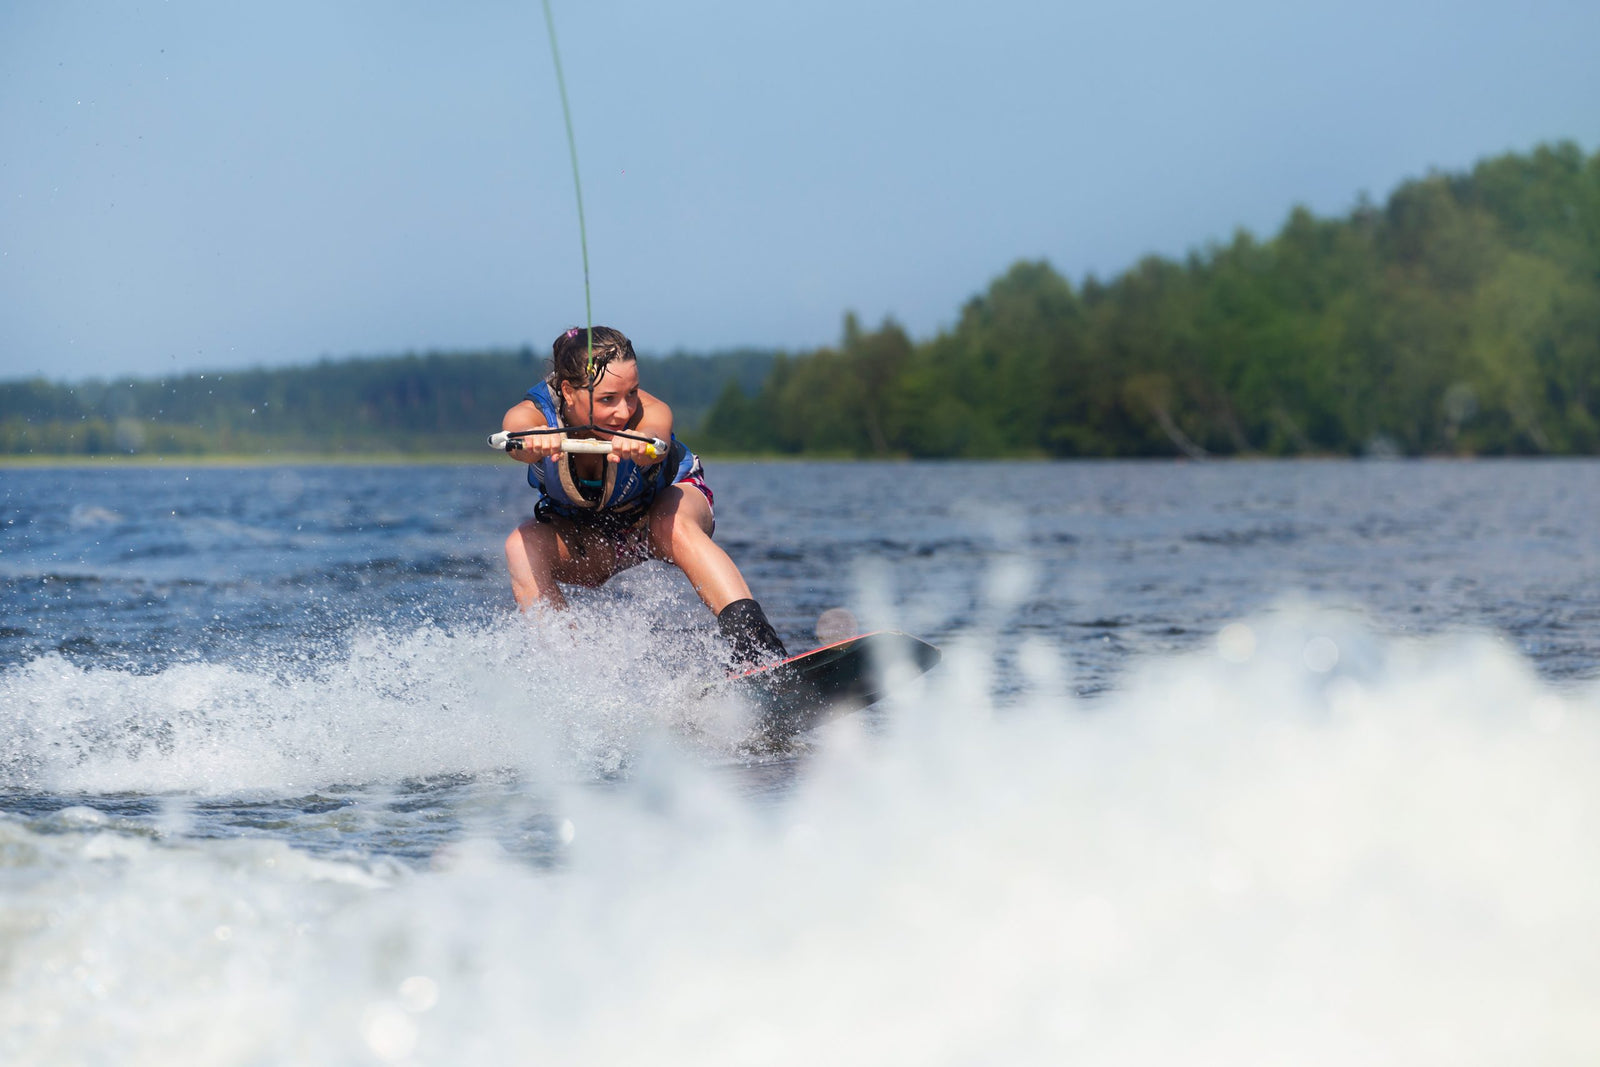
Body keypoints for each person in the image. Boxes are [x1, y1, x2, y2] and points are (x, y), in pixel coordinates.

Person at [501, 325, 788, 668]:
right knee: (520, 544)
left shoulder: (649, 412)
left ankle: (756, 648)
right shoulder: (535, 411)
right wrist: (534, 441)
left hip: (656, 521)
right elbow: (516, 431)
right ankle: (571, 673)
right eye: (608, 399)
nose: (624, 411)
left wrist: (642, 444)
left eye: (632, 393)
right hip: (592, 542)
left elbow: (655, 432)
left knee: (673, 521)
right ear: (568, 391)